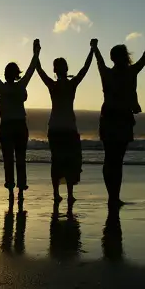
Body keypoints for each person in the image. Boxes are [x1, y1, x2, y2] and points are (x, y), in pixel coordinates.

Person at [93, 29, 145, 208]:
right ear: (124, 57)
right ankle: (114, 196)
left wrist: (95, 48)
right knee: (116, 160)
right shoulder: (130, 72)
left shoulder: (107, 73)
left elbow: (99, 61)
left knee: (111, 159)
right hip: (120, 118)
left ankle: (113, 196)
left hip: (110, 117)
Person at [36, 41, 95, 204]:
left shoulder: (53, 85)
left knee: (57, 161)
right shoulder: (70, 84)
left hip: (55, 128)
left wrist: (36, 53)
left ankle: (56, 193)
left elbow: (39, 70)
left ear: (55, 70)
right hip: (68, 128)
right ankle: (69, 194)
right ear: (66, 69)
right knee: (70, 161)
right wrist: (92, 50)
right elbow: (85, 69)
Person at [0, 38, 40, 201]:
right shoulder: (20, 86)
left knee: (8, 159)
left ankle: (11, 187)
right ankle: (20, 188)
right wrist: (36, 52)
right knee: (20, 158)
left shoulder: (1, 87)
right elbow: (31, 69)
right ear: (17, 74)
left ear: (6, 74)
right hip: (19, 125)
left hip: (7, 126)